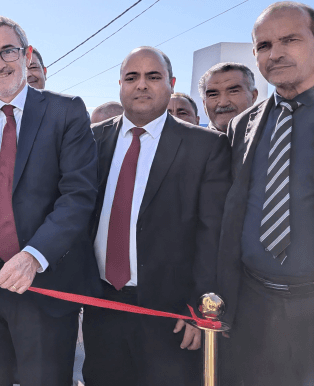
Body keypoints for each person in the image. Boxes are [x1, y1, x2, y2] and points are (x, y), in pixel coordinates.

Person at [0, 15, 99, 386]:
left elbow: (78, 195)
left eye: (7, 51)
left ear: (27, 55)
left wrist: (33, 256)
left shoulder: (66, 112)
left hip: (44, 283)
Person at [83, 46, 230, 386]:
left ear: (171, 82)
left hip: (173, 314)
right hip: (102, 304)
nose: (142, 86)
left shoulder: (205, 147)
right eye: (132, 77)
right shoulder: (91, 140)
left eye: (153, 76)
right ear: (120, 84)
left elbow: (213, 234)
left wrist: (200, 307)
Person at [217, 1, 314, 385]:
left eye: (290, 39)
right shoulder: (243, 125)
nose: (276, 53)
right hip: (254, 304)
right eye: (263, 45)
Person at [198, 62, 258, 133]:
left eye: (233, 91)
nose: (223, 103)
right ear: (204, 103)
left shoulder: (271, 138)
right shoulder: (189, 143)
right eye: (213, 95)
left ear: (253, 96)